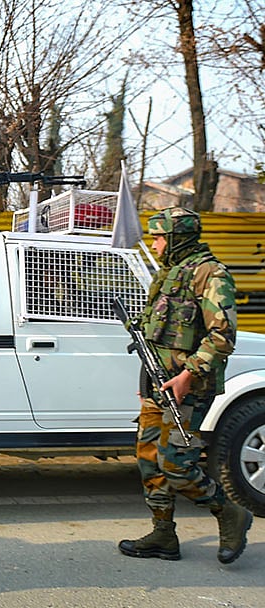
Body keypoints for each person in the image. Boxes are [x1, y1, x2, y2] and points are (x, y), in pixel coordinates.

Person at [118, 206, 253, 564]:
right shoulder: (169, 274)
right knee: (149, 460)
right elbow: (159, 336)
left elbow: (222, 336)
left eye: (160, 238)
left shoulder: (211, 274)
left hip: (189, 388)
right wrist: (148, 380)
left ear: (178, 239)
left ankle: (229, 513)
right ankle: (163, 534)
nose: (156, 246)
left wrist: (188, 374)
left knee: (176, 463)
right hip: (158, 386)